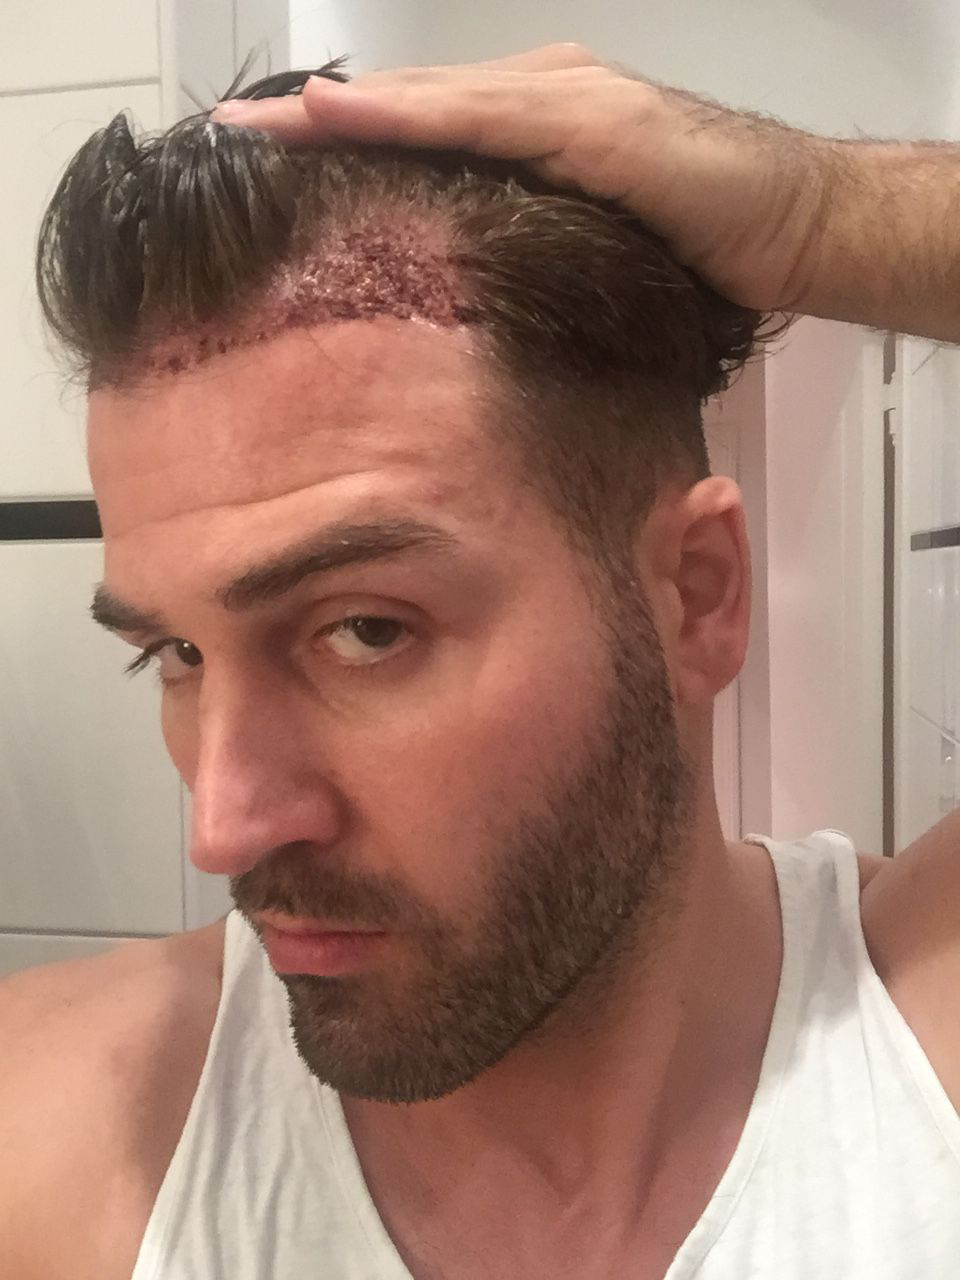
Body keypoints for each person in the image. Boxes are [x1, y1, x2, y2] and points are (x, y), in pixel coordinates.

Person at [2, 45, 959, 1280]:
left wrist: (814, 215)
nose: (224, 825)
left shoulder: (916, 1041)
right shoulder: (69, 1140)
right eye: (177, 652)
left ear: (697, 595)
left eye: (366, 629)